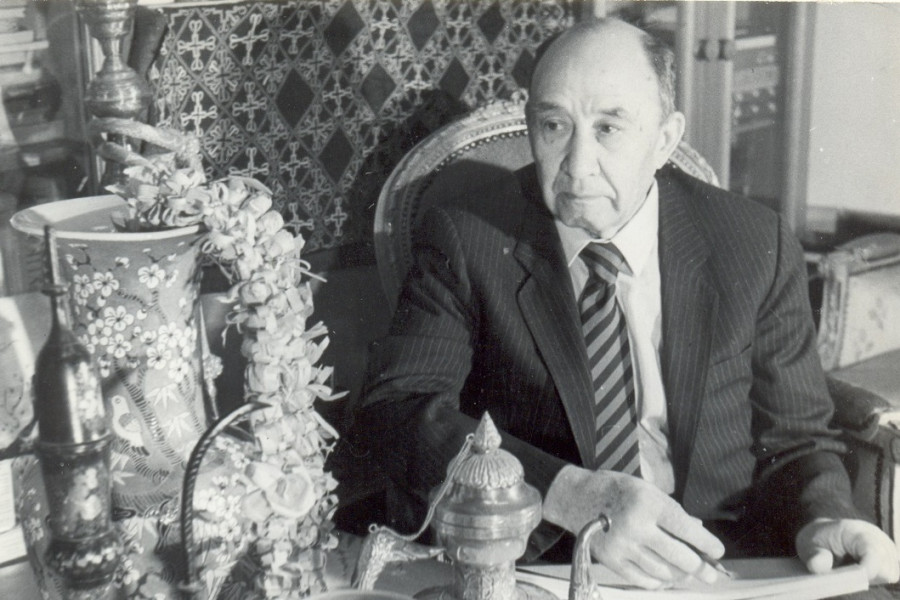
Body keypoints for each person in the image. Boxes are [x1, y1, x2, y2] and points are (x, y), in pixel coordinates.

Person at [353, 18, 899, 589]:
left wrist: (823, 517)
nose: (577, 163)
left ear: (665, 138)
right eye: (554, 126)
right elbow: (396, 410)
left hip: (723, 560)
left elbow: (797, 438)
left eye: (609, 128)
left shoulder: (753, 242)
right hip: (548, 563)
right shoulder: (469, 238)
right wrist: (565, 493)